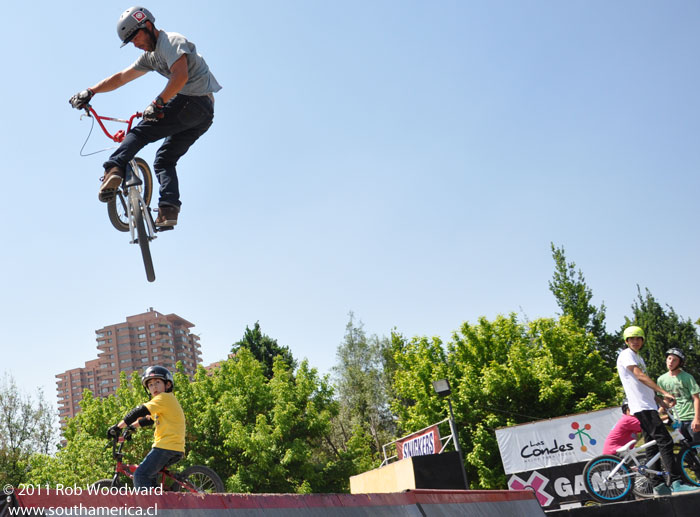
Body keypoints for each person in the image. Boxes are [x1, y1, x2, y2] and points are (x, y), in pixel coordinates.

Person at [69, 6, 221, 228]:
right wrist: (91, 91)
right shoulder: (150, 57)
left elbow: (180, 76)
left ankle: (114, 168)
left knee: (140, 132)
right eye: (130, 41)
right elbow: (120, 78)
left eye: (135, 36)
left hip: (193, 100)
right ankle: (169, 209)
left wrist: (158, 102)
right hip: (201, 116)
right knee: (164, 160)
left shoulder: (171, 41)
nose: (135, 44)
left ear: (147, 25)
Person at [616, 326, 700, 495]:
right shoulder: (626, 355)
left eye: (639, 338)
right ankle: (676, 482)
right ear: (626, 341)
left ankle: (658, 486)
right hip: (642, 407)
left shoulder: (639, 357)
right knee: (666, 441)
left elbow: (645, 387)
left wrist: (661, 401)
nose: (636, 341)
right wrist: (664, 392)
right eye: (632, 339)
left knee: (652, 448)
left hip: (648, 405)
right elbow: (640, 376)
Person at [107, 366, 185, 488]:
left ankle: (147, 506)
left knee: (140, 475)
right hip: (174, 447)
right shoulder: (165, 403)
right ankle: (158, 503)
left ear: (168, 385)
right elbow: (148, 420)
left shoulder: (163, 398)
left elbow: (139, 411)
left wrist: (118, 427)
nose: (154, 387)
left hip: (165, 446)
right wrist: (131, 427)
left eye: (157, 382)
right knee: (151, 478)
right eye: (150, 385)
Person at [657, 348, 700, 444]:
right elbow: (666, 400)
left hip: (691, 418)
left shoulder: (687, 377)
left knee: (697, 447)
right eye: (669, 358)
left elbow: (696, 398)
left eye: (674, 360)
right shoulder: (661, 380)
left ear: (680, 363)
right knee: (686, 451)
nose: (671, 362)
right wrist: (657, 413)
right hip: (677, 420)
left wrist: (697, 418)